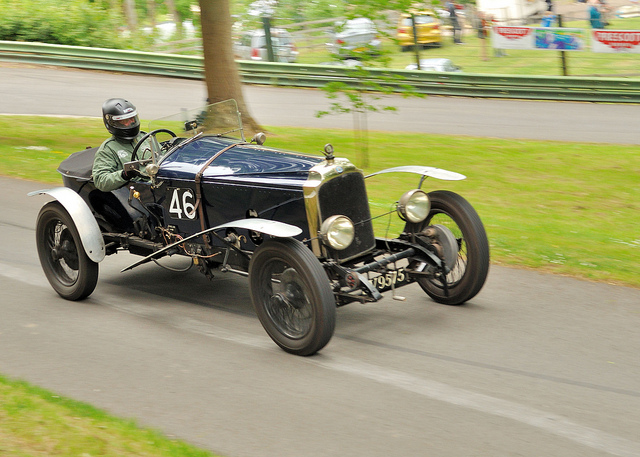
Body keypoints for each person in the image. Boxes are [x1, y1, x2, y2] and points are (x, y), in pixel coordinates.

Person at [92, 98, 149, 192]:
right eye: (124, 121)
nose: (130, 123)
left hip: (159, 186)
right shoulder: (108, 149)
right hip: (135, 195)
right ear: (112, 123)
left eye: (132, 118)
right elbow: (100, 180)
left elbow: (164, 157)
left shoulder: (146, 138)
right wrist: (124, 174)